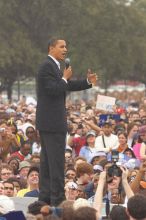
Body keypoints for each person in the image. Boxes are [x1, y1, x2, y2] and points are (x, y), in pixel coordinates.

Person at [36, 37, 97, 206]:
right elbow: (53, 89)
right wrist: (63, 78)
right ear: (51, 48)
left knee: (49, 163)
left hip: (50, 122)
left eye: (66, 47)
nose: (65, 50)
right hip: (52, 122)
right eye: (62, 46)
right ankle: (57, 202)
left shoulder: (55, 66)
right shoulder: (46, 66)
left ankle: (45, 199)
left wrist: (87, 82)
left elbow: (66, 86)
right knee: (55, 163)